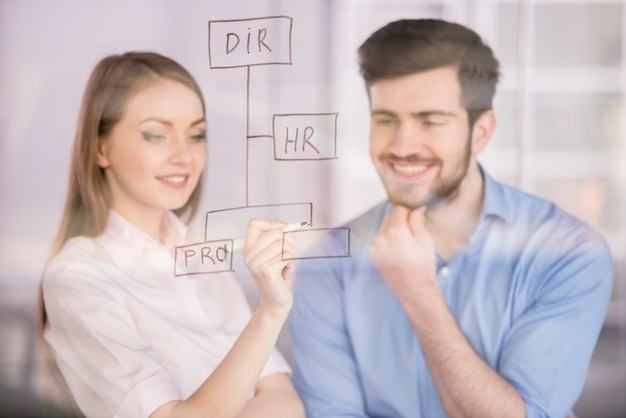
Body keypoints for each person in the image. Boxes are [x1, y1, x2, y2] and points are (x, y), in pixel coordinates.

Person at [289, 18, 614, 418]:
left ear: (480, 132)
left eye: (430, 120)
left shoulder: (566, 254)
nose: (402, 145)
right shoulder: (329, 264)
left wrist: (419, 294)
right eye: (386, 119)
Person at [38, 51, 305, 418]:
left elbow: (279, 392)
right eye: (156, 135)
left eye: (196, 135)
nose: (185, 156)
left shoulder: (198, 255)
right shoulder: (78, 279)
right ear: (101, 149)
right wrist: (271, 311)